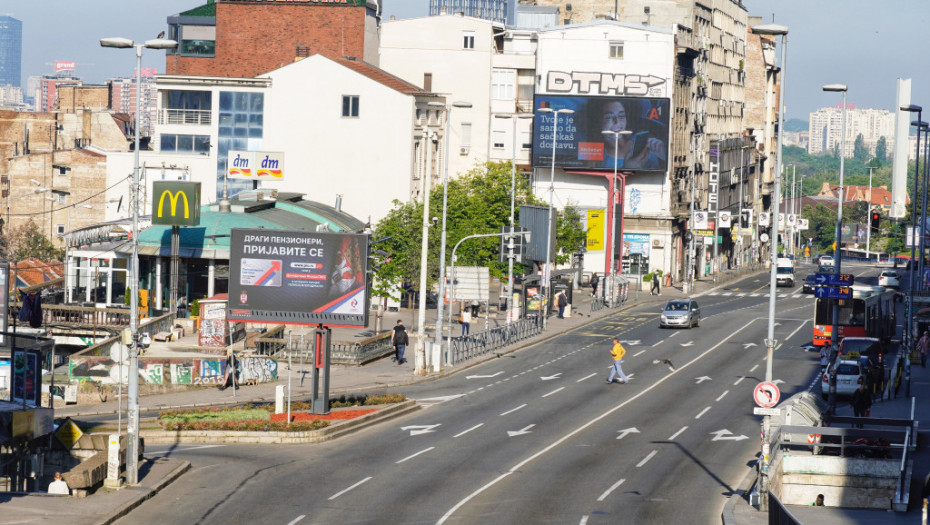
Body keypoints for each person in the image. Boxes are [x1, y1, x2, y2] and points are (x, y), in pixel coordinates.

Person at [597, 99, 665, 170]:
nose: (617, 122)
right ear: (599, 121)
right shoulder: (598, 157)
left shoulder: (643, 139)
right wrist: (627, 169)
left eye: (621, 116)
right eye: (609, 117)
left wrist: (664, 155)